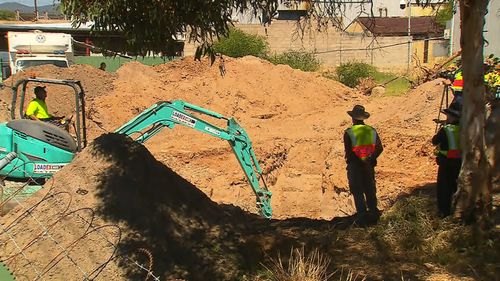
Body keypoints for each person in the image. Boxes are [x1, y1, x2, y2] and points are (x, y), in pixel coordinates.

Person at [343, 105, 383, 216]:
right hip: (369, 165)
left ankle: (362, 216)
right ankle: (373, 213)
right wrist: (370, 159)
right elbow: (379, 148)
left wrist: (358, 160)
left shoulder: (349, 132)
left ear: (353, 118)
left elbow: (349, 152)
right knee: (370, 189)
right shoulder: (371, 130)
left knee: (357, 191)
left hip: (355, 165)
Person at [432, 102, 462, 217]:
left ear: (452, 117)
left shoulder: (446, 129)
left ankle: (444, 213)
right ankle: (458, 211)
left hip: (446, 162)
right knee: (457, 187)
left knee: (444, 188)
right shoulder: (464, 129)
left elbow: (434, 141)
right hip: (460, 162)